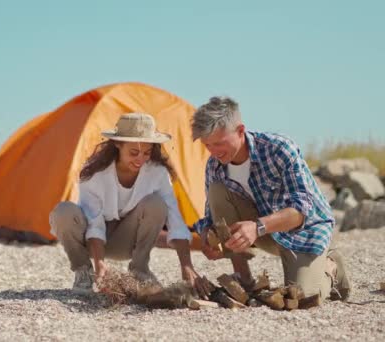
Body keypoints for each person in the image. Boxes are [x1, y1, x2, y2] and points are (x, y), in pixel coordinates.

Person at [191, 96, 351, 303]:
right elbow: (212, 215)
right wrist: (207, 235)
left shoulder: (279, 149)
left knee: (302, 298)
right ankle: (244, 279)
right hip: (264, 233)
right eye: (207, 145)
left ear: (240, 131)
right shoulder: (214, 165)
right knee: (217, 190)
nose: (213, 152)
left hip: (305, 232)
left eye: (219, 143)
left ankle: (331, 267)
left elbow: (302, 211)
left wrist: (256, 227)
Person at [49, 113, 210, 297]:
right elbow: (94, 223)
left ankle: (140, 270)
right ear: (117, 144)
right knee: (63, 212)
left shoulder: (157, 173)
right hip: (92, 242)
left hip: (126, 241)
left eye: (147, 153)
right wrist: (100, 265)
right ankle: (84, 272)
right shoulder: (94, 173)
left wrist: (187, 266)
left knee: (156, 204)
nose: (141, 159)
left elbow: (174, 218)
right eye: (134, 153)